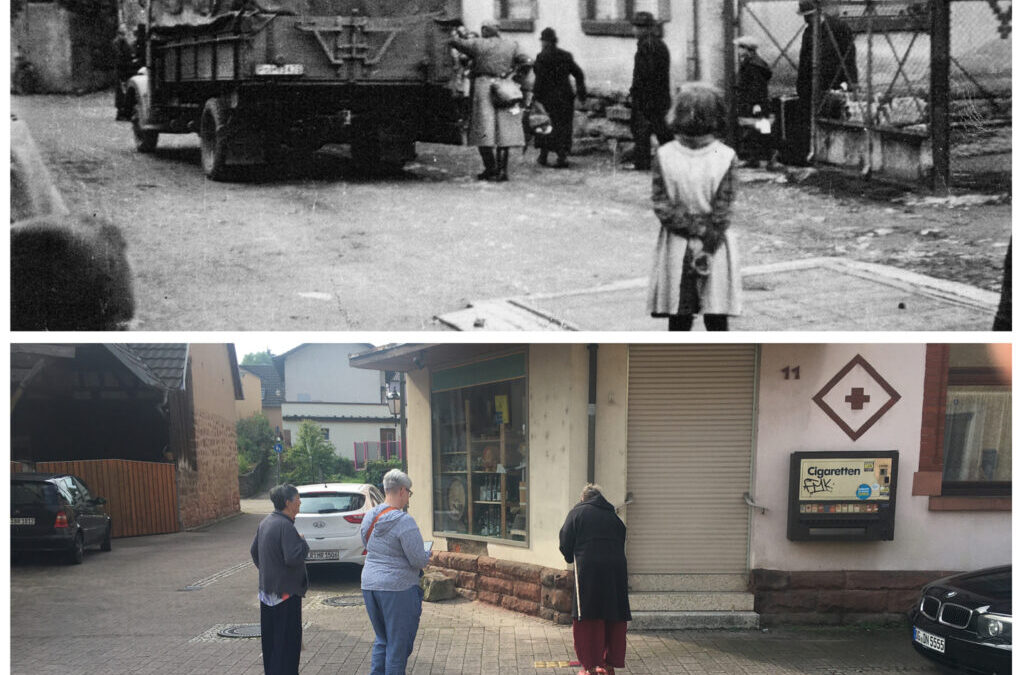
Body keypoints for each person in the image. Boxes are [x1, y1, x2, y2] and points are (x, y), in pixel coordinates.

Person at [646, 83, 741, 332]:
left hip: (676, 241)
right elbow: (723, 209)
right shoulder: (726, 155)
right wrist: (707, 241)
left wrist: (691, 231)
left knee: (679, 313)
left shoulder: (664, 155)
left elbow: (661, 204)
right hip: (715, 243)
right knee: (716, 313)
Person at [361, 469, 432, 675]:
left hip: (369, 585)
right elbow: (418, 559)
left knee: (382, 640)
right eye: (409, 492)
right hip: (397, 588)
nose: (409, 497)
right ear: (402, 490)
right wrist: (427, 554)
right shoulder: (404, 521)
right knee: (397, 646)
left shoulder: (369, 517)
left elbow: (367, 543)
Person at [559, 484, 631, 675]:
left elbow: (565, 540)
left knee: (589, 616)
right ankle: (608, 665)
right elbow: (621, 538)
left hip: (589, 571)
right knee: (613, 612)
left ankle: (590, 667)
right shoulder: (613, 516)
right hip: (616, 570)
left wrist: (570, 557)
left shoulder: (577, 513)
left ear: (583, 498)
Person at [450, 20, 533, 181]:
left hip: (483, 87)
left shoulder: (478, 44)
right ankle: (502, 171)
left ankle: (490, 167)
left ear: (485, 30)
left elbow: (458, 44)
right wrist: (515, 76)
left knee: (483, 130)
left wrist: (452, 34)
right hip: (505, 86)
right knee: (505, 131)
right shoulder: (512, 44)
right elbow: (527, 61)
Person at [250, 484, 309, 675]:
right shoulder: (285, 526)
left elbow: (254, 552)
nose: (300, 502)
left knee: (272, 644)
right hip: (285, 596)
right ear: (288, 503)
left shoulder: (266, 522)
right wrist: (303, 542)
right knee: (288, 646)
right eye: (298, 498)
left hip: (268, 593)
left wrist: (269, 571)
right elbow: (293, 557)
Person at [793, 0, 858, 161]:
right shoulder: (808, 32)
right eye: (804, 17)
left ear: (817, 13)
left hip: (835, 83)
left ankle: (834, 156)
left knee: (834, 119)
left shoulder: (839, 28)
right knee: (811, 120)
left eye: (808, 16)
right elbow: (804, 61)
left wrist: (850, 82)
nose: (806, 20)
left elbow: (849, 56)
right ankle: (814, 154)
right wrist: (801, 86)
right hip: (812, 86)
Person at [533, 27, 586, 168]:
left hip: (548, 98)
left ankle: (545, 156)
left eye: (543, 41)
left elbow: (539, 79)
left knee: (546, 125)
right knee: (564, 126)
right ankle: (561, 156)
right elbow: (579, 73)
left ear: (545, 42)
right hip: (565, 97)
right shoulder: (566, 55)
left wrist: (535, 96)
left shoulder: (542, 57)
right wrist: (581, 92)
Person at [628, 11, 672, 171]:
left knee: (641, 130)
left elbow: (646, 74)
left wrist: (638, 93)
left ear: (646, 29)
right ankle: (676, 159)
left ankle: (642, 163)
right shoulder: (657, 44)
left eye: (638, 27)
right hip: (658, 96)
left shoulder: (647, 46)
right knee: (661, 130)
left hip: (648, 97)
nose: (634, 31)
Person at [734, 36, 775, 168]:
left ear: (748, 49)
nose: (738, 50)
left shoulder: (752, 66)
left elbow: (756, 87)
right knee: (760, 129)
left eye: (741, 47)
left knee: (756, 130)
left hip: (754, 103)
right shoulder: (755, 63)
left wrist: (756, 105)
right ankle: (761, 158)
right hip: (757, 102)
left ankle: (760, 158)